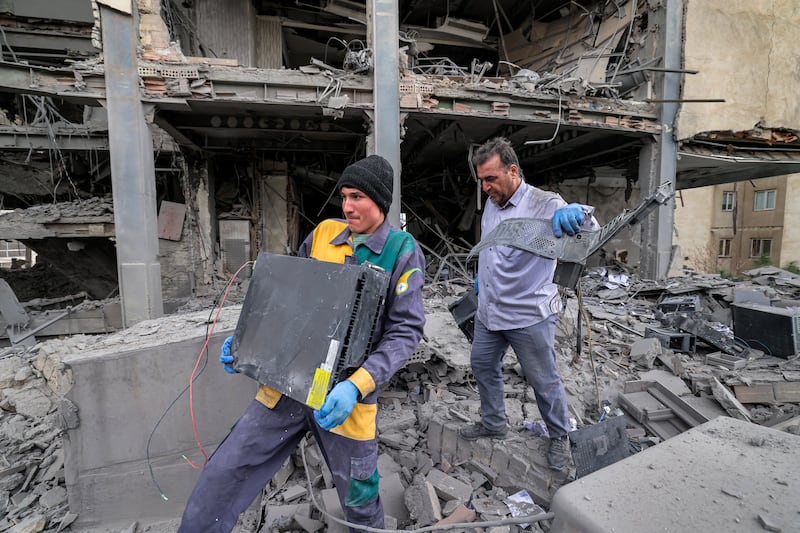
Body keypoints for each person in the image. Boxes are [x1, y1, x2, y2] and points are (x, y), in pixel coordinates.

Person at [178, 155, 426, 532]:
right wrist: (247, 342)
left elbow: (405, 332)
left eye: (357, 196)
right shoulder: (324, 233)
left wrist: (354, 386)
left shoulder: (401, 250)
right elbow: (287, 301)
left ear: (380, 200)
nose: (346, 206)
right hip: (287, 385)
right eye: (344, 196)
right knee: (225, 473)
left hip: (345, 400)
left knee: (360, 500)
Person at [459, 137, 598, 470]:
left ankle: (559, 437)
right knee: (482, 366)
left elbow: (589, 233)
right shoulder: (493, 203)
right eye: (482, 180)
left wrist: (579, 214)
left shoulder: (544, 203)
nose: (486, 187)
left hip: (528, 315)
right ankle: (493, 424)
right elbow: (491, 246)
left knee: (543, 381)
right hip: (490, 310)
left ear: (512, 170)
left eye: (491, 178)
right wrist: (482, 278)